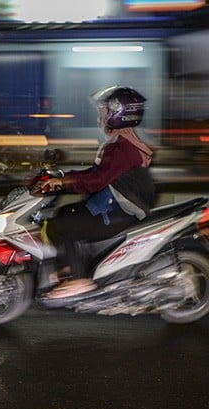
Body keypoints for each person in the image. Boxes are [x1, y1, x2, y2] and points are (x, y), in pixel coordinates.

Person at [41, 85, 156, 299]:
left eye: (103, 112)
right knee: (64, 213)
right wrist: (64, 177)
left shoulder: (123, 148)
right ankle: (73, 264)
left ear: (118, 114)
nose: (99, 118)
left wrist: (65, 182)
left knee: (65, 225)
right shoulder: (120, 143)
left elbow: (97, 181)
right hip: (112, 207)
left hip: (119, 213)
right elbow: (97, 172)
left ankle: (79, 280)